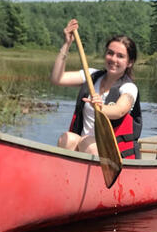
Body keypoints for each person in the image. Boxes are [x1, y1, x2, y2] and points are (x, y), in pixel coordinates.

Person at [50, 19, 142, 159]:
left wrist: (100, 107)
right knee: (67, 138)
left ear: (129, 62)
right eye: (110, 53)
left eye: (120, 56)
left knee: (87, 143)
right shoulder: (91, 76)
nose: (113, 59)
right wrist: (67, 44)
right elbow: (58, 78)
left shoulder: (129, 87)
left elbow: (119, 110)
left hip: (112, 153)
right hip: (84, 146)